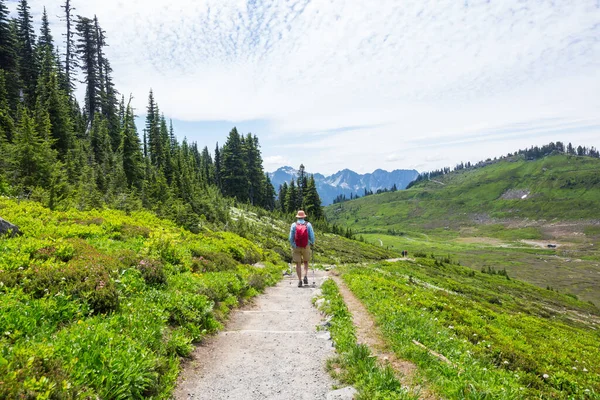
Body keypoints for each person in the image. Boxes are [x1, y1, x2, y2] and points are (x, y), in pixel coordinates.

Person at [289, 210, 315, 287]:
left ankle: (300, 280)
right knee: (306, 262)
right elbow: (312, 236)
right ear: (304, 216)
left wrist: (293, 244)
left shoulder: (293, 225)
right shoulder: (308, 224)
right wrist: (312, 243)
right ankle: (305, 276)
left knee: (298, 264)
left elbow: (291, 237)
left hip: (296, 246)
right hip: (306, 246)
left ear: (297, 217)